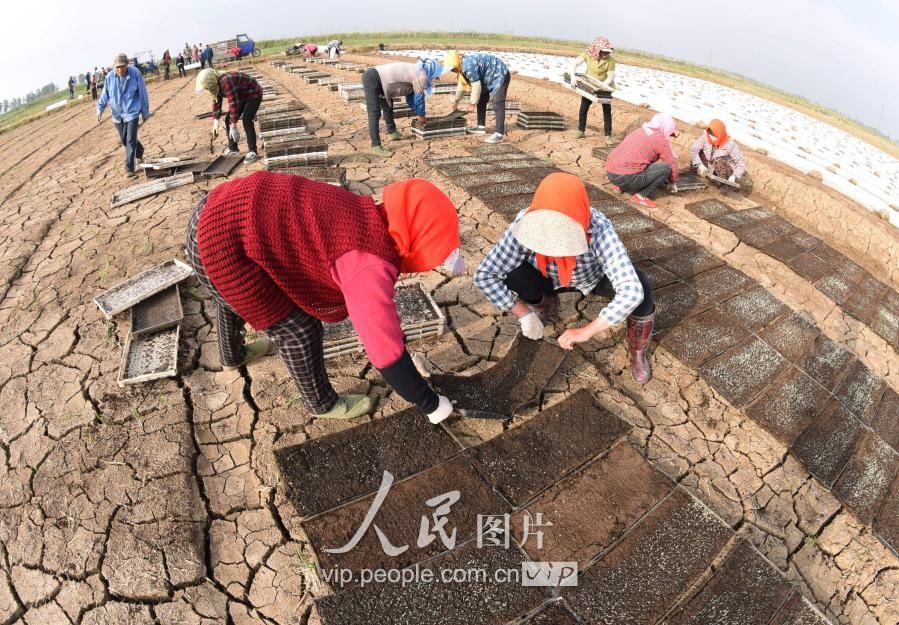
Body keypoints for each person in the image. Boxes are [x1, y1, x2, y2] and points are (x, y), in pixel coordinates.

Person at [185, 172, 464, 423]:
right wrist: (431, 404)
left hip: (212, 210)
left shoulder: (365, 213)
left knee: (230, 293)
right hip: (220, 239)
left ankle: (232, 354)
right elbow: (385, 352)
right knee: (300, 329)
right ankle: (321, 403)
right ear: (417, 244)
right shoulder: (368, 265)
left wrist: (408, 353)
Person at [474, 172, 656, 383]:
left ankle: (637, 350)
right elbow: (485, 275)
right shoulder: (526, 223)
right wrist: (523, 313)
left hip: (592, 278)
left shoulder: (598, 228)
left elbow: (630, 291)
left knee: (642, 286)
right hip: (548, 279)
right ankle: (545, 304)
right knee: (514, 274)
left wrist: (587, 331)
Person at [361, 58, 444, 157]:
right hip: (373, 78)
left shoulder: (417, 71)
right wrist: (421, 115)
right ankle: (376, 146)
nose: (435, 78)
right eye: (436, 75)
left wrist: (417, 112)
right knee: (374, 112)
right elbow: (419, 98)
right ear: (432, 70)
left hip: (379, 80)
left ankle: (392, 133)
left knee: (388, 106)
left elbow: (410, 98)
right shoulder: (421, 76)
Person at [605, 113, 680, 208]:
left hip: (611, 173)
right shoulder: (660, 139)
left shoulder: (641, 130)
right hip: (626, 178)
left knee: (641, 159)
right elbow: (671, 162)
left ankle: (619, 187)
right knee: (665, 168)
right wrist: (673, 181)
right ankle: (640, 196)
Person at [96, 53, 150, 177]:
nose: (120, 70)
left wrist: (145, 112)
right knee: (125, 140)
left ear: (127, 65)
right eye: (117, 67)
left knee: (130, 139)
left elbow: (142, 93)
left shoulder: (135, 73)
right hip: (117, 115)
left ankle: (129, 168)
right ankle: (139, 151)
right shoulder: (110, 77)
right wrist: (100, 109)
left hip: (132, 112)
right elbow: (104, 95)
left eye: (122, 66)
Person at [196, 68, 262, 163]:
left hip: (253, 94)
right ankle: (234, 150)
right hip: (240, 96)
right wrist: (215, 123)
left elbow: (233, 104)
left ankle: (253, 151)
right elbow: (216, 103)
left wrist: (233, 126)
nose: (207, 89)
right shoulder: (215, 86)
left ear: (210, 81)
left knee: (247, 119)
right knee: (228, 119)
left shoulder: (226, 82)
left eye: (206, 87)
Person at [444, 50, 511, 144]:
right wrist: (456, 100)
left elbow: (476, 86)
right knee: (481, 100)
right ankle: (481, 127)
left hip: (499, 74)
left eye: (452, 68)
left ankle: (499, 134)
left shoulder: (468, 66)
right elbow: (462, 85)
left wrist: (472, 103)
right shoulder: (461, 67)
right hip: (487, 77)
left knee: (498, 103)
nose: (452, 71)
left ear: (456, 62)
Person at [569, 36, 616, 144]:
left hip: (605, 86)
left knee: (607, 111)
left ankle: (608, 136)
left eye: (608, 53)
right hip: (590, 84)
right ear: (597, 49)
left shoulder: (611, 61)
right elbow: (575, 64)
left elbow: (610, 77)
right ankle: (581, 131)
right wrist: (572, 77)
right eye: (603, 52)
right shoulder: (588, 54)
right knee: (583, 108)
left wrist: (600, 88)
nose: (606, 55)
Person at [690, 118, 749, 189]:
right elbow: (694, 149)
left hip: (725, 172)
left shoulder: (731, 144)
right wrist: (699, 165)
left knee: (718, 160)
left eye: (714, 135)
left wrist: (734, 176)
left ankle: (724, 185)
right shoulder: (706, 136)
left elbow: (741, 164)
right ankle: (696, 175)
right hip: (710, 167)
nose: (711, 137)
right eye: (710, 134)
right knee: (698, 152)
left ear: (720, 133)